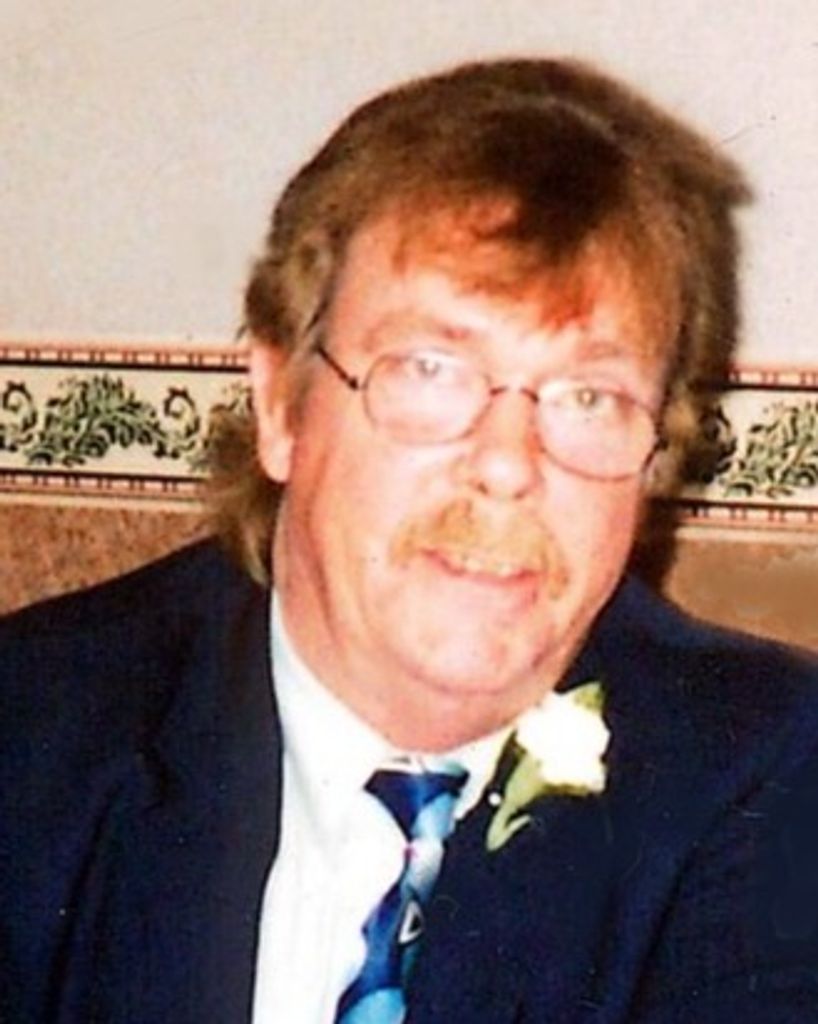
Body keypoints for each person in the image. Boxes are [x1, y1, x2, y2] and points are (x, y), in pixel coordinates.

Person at [2, 58, 817, 1024]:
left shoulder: (772, 780)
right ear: (281, 405)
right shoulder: (34, 734)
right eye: (431, 370)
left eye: (589, 397)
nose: (508, 465)